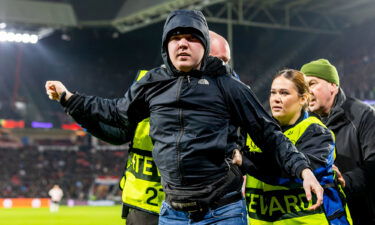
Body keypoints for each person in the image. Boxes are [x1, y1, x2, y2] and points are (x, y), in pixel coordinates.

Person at [45, 9, 323, 224]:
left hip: (223, 211)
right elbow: (116, 113)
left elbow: (268, 134)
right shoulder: (151, 83)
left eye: (191, 38)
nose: (182, 44)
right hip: (173, 212)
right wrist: (70, 99)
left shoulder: (230, 86)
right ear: (166, 45)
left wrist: (303, 169)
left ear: (204, 46)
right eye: (175, 38)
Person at [244, 69, 352, 224]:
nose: (276, 99)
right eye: (273, 93)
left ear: (303, 98)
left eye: (284, 93)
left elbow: (286, 172)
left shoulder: (318, 133)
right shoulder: (255, 132)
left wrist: (245, 161)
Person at [301, 59, 375, 225]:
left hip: (360, 213)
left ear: (333, 86)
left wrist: (345, 180)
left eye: (312, 83)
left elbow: (373, 165)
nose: (307, 92)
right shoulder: (303, 122)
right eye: (303, 87)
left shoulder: (363, 115)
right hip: (321, 214)